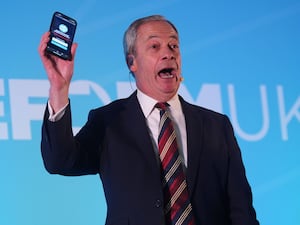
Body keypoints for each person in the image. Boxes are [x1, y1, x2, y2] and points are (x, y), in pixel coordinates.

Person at [38, 15, 259, 225]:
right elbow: (60, 161)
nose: (168, 54)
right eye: (155, 47)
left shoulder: (216, 126)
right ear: (131, 62)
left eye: (174, 46)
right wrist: (59, 88)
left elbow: (241, 209)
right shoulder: (108, 122)